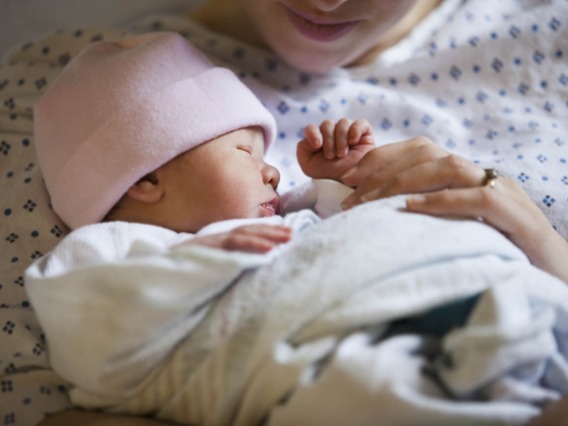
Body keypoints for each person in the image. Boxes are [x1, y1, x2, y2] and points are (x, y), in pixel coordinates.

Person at [1, 0, 566, 425]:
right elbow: (83, 320)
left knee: (515, 316)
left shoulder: (546, 30)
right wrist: (199, 265)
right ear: (147, 180)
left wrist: (344, 181)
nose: (273, 171)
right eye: (247, 152)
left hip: (439, 289)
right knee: (363, 389)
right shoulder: (111, 247)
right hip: (341, 353)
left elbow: (348, 222)